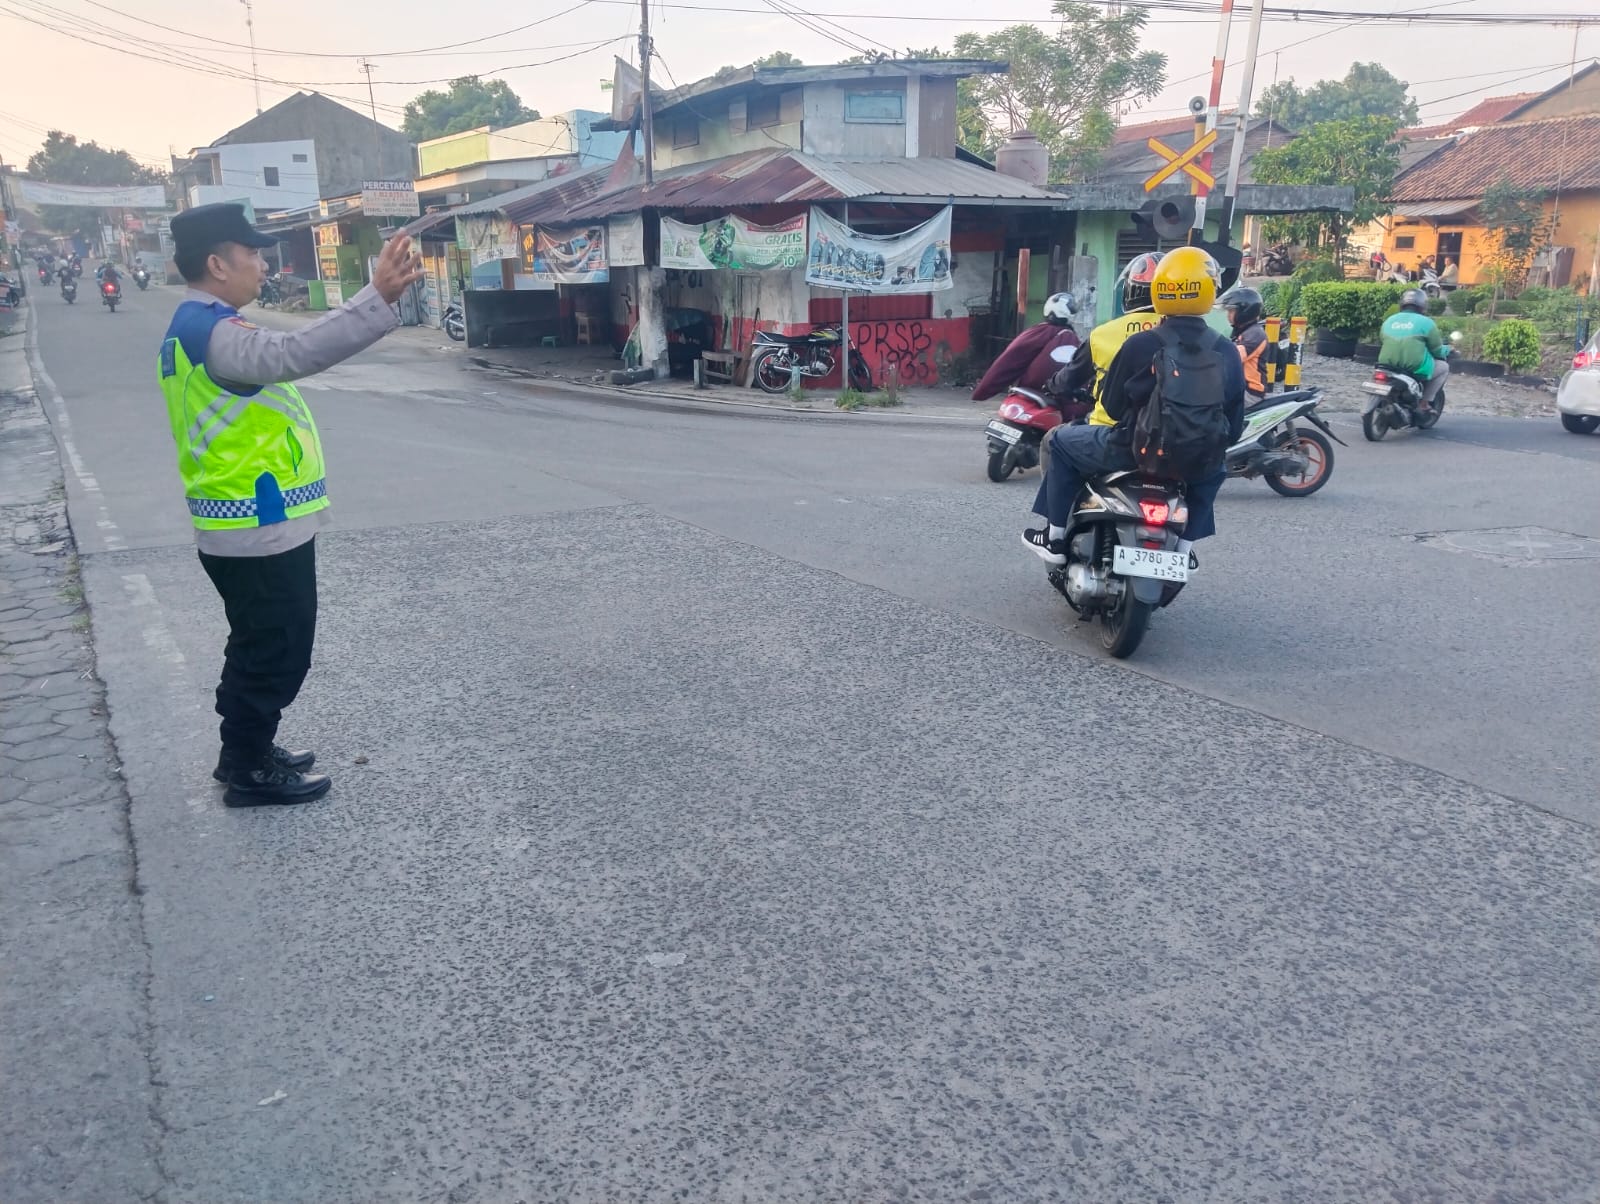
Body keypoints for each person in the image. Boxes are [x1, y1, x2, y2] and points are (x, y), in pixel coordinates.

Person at [158, 202, 423, 806]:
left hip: (248, 522)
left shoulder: (200, 324)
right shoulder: (211, 331)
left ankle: (243, 751)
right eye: (251, 253)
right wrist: (376, 297)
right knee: (276, 650)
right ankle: (249, 770)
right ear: (217, 264)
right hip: (255, 524)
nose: (262, 264)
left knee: (258, 643)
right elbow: (293, 353)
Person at [1022, 246, 1245, 571]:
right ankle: (1184, 550)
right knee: (1215, 468)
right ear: (1211, 290)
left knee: (1059, 442)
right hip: (1195, 460)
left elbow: (1113, 408)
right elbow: (1233, 427)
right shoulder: (1227, 350)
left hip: (1131, 451)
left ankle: (1055, 539)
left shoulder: (1140, 343)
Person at [1045, 252, 1163, 427]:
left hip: (1108, 428)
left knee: (1053, 439)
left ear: (1130, 290)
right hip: (1166, 432)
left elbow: (1069, 378)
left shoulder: (1102, 334)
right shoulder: (1186, 333)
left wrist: (1050, 385)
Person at [970, 292, 1082, 408]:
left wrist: (983, 390)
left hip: (1031, 394)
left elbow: (1009, 361)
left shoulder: (1038, 333)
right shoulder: (1073, 339)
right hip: (1066, 403)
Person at [1377, 287, 1449, 416]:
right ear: (1423, 306)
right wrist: (1448, 350)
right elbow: (1437, 350)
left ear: (1402, 304)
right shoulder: (1427, 323)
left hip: (1386, 365)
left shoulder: (1389, 320)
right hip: (1413, 369)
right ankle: (1424, 403)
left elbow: (1382, 340)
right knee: (1443, 367)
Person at [1222, 286, 1269, 404]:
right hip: (1239, 388)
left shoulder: (1254, 334)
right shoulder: (1243, 331)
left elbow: (1233, 357)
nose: (1228, 315)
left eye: (1231, 311)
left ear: (1245, 312)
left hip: (1249, 393)